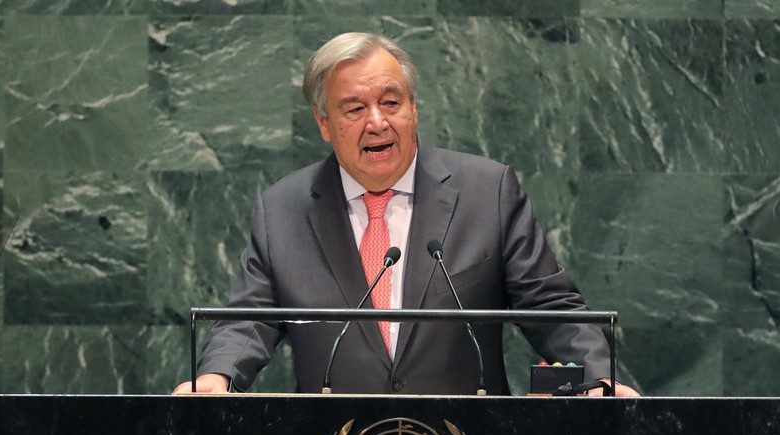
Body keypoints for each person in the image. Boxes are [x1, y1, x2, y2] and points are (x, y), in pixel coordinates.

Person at [173, 32, 639, 397]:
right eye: (354, 108)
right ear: (324, 124)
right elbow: (248, 319)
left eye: (391, 102)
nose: (377, 121)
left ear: (414, 109)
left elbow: (551, 308)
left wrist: (598, 377)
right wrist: (217, 377)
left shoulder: (487, 191)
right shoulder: (282, 210)